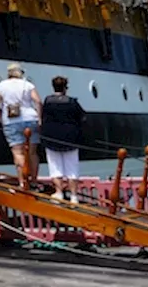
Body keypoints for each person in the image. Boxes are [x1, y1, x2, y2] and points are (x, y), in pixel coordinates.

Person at [39, 75, 85, 204]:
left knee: (55, 167)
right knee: (72, 168)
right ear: (65, 88)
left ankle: (59, 193)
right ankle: (74, 196)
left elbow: (44, 118)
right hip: (70, 138)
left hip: (52, 138)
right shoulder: (72, 102)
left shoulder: (48, 101)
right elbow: (82, 117)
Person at [0, 63, 41, 187]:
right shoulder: (28, 84)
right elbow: (38, 101)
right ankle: (34, 181)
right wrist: (39, 117)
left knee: (18, 152)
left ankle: (22, 181)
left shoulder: (1, 85)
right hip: (31, 119)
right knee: (32, 152)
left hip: (11, 121)